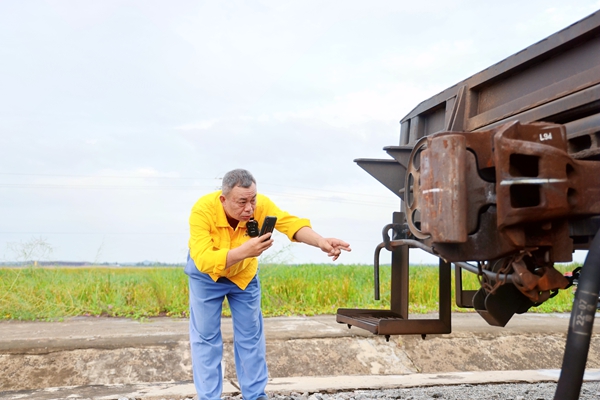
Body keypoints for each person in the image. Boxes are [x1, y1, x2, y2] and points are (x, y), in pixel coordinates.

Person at [184, 168, 351, 400]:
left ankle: (255, 395)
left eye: (252, 200)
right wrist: (244, 250)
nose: (249, 208)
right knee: (206, 339)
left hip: (244, 276)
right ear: (223, 199)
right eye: (242, 202)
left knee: (250, 337)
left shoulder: (260, 205)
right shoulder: (202, 210)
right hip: (207, 277)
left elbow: (289, 224)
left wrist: (320, 241)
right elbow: (203, 258)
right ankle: (209, 397)